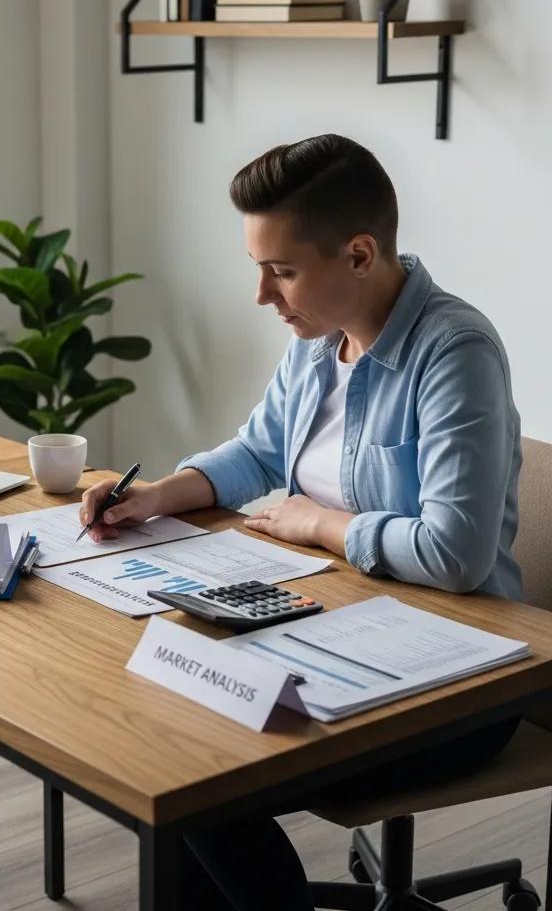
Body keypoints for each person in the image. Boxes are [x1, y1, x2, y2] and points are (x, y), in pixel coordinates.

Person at [79, 134, 523, 910]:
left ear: (358, 255)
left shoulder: (455, 352)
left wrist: (319, 524)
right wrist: (159, 495)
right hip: (331, 623)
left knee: (199, 781)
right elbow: (257, 452)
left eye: (281, 271)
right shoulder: (319, 340)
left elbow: (454, 554)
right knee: (164, 741)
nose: (263, 295)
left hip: (458, 684)